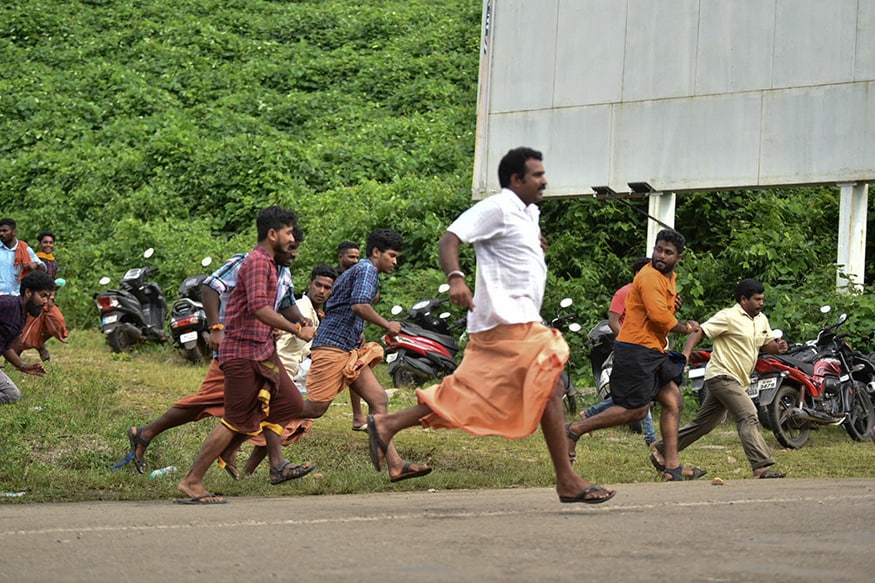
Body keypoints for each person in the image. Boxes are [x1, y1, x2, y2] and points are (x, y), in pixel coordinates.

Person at [366, 147, 614, 503]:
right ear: (516, 179)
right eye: (537, 175)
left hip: (518, 321)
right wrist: (456, 277)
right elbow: (450, 239)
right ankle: (567, 480)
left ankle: (389, 423)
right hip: (503, 321)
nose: (544, 180)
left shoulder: (529, 213)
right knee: (551, 368)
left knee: (488, 394)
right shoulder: (498, 206)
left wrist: (534, 248)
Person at [121, 224, 315, 478]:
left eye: (296, 248)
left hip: (261, 351)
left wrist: (300, 320)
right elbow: (211, 286)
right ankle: (156, 442)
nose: (294, 254)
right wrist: (216, 327)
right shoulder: (246, 262)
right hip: (236, 349)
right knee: (207, 404)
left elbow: (286, 302)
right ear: (275, 240)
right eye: (290, 247)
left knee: (279, 401)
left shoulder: (282, 271)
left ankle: (271, 463)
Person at [566, 228, 704, 482]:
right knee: (637, 411)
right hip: (636, 349)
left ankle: (672, 467)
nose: (661, 255)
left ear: (679, 257)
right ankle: (575, 430)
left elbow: (664, 310)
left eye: (668, 252)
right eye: (658, 250)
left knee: (673, 401)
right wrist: (687, 328)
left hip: (654, 349)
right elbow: (660, 317)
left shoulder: (668, 278)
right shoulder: (649, 276)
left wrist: (673, 307)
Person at [302, 228, 431, 483]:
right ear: (376, 252)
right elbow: (359, 305)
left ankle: (396, 465)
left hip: (348, 349)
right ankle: (256, 418)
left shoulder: (363, 270)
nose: (395, 261)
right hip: (332, 347)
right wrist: (387, 325)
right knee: (315, 409)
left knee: (379, 399)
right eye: (392, 255)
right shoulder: (367, 270)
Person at [651, 278, 788, 479]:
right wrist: (686, 354)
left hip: (738, 379)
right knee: (748, 415)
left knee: (704, 424)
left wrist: (778, 347)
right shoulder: (728, 316)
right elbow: (700, 330)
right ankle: (761, 467)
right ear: (744, 299)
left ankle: (662, 450)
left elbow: (766, 345)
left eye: (762, 299)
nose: (761, 303)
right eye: (757, 299)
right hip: (722, 376)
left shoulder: (761, 320)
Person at [581, 256, 657, 446]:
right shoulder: (624, 293)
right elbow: (613, 321)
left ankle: (589, 414)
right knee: (641, 391)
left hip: (645, 349)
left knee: (629, 393)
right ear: (638, 273)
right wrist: (628, 343)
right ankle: (651, 439)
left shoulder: (649, 294)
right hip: (629, 350)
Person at [0, 271, 55, 405]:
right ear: (28, 292)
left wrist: (23, 366)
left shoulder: (23, 316)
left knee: (12, 395)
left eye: (48, 297)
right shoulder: (8, 304)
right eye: (43, 296)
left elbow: (5, 346)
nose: (45, 301)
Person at [14, 232, 68, 362]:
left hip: (49, 299)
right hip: (36, 300)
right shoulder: (36, 260)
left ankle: (38, 344)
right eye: (45, 242)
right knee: (30, 328)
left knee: (57, 323)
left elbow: (51, 281)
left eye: (51, 242)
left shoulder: (53, 262)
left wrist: (52, 295)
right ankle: (18, 355)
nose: (48, 245)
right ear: (40, 244)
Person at [335, 240, 368, 432]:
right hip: (330, 334)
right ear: (341, 257)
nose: (355, 261)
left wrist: (359, 330)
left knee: (354, 370)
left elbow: (365, 301)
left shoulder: (359, 276)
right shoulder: (332, 277)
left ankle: (358, 415)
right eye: (351, 257)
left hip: (352, 332)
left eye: (357, 257)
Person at [0, 218, 45, 296]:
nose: (1, 233)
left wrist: (35, 265)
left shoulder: (24, 249)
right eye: (0, 231)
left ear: (14, 232)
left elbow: (43, 268)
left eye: (5, 231)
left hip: (17, 294)